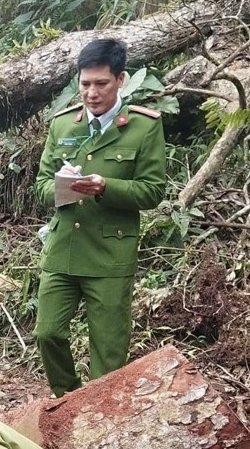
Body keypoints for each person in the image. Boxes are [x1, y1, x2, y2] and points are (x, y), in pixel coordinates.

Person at [33, 38, 167, 397]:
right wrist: (61, 188)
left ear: (120, 79)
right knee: (48, 333)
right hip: (63, 250)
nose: (92, 93)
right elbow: (41, 185)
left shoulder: (143, 126)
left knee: (108, 354)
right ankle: (67, 401)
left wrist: (106, 185)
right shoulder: (63, 125)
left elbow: (153, 191)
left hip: (110, 255)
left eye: (101, 84)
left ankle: (102, 416)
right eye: (85, 84)